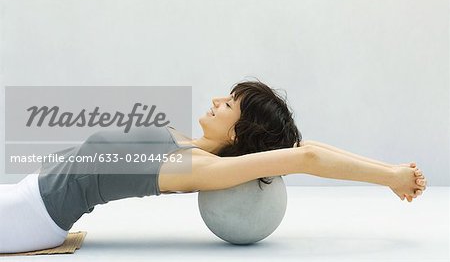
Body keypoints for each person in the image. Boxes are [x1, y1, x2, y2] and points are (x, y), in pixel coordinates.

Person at [0, 79, 427, 254]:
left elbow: (305, 157)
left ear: (239, 136)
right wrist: (389, 169)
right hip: (26, 195)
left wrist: (391, 178)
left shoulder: (197, 167)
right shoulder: (185, 143)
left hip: (29, 216)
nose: (217, 101)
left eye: (229, 105)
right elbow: (304, 144)